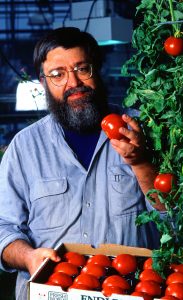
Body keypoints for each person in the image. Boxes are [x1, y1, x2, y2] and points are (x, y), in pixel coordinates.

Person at [0, 27, 165, 299]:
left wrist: (141, 163)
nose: (73, 82)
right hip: (50, 292)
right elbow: (3, 227)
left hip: (131, 289)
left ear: (97, 70)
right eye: (57, 74)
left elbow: (176, 223)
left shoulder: (142, 129)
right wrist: (28, 256)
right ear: (43, 82)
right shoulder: (24, 147)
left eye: (82, 68)